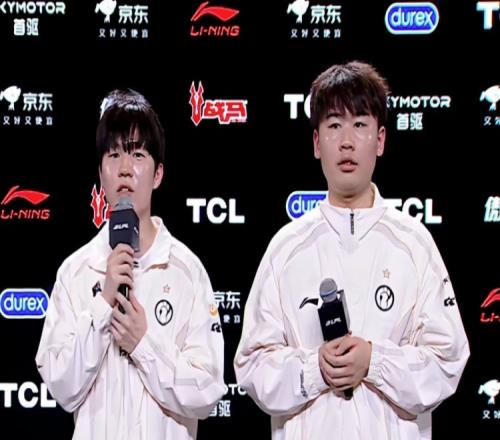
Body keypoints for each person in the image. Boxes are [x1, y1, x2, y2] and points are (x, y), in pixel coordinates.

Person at [234, 61, 469, 439]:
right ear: (316, 143)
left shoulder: (414, 243)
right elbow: (252, 366)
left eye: (360, 124)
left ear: (380, 139)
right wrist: (315, 369)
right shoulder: (286, 249)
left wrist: (375, 361)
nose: (346, 141)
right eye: (334, 125)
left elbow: (448, 361)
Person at [36, 89, 226, 439]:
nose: (125, 168)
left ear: (158, 174)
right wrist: (102, 305)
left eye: (137, 154)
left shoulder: (187, 271)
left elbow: (207, 391)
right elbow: (62, 387)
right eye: (114, 154)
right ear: (101, 173)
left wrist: (144, 344)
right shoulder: (76, 272)